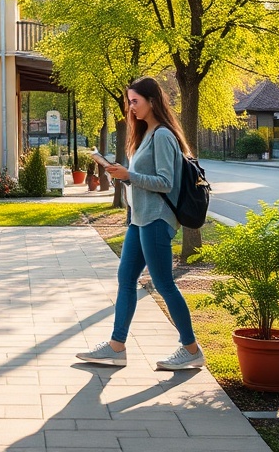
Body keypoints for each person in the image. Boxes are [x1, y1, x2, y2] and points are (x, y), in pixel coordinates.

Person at [76, 77, 205, 370]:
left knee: (163, 284)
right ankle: (116, 346)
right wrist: (119, 174)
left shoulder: (162, 136)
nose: (131, 108)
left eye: (135, 101)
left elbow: (165, 182)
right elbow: (139, 179)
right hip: (140, 219)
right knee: (125, 279)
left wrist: (129, 176)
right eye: (129, 102)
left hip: (157, 219)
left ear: (152, 101)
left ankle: (192, 349)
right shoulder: (146, 134)